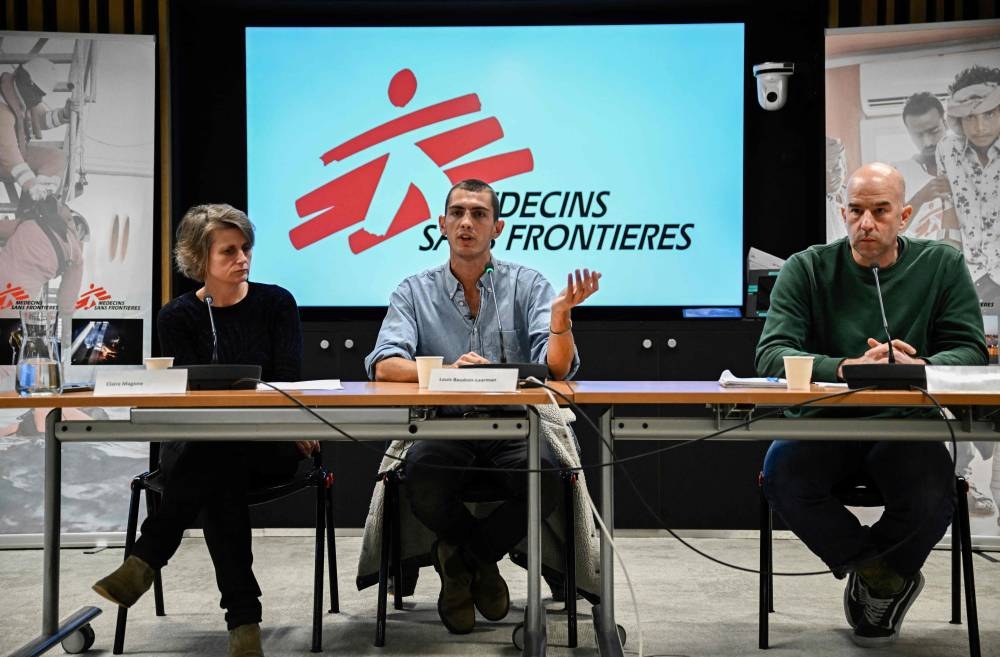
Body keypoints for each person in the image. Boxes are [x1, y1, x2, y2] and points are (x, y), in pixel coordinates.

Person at [757, 163, 988, 647]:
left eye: (880, 211)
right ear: (843, 214)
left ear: (903, 216)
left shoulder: (941, 265)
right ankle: (878, 575)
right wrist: (845, 367)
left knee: (933, 493)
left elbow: (969, 350)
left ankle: (881, 576)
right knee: (783, 473)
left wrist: (917, 365)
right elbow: (772, 352)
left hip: (907, 424)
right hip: (824, 421)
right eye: (857, 211)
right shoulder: (808, 267)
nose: (867, 223)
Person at [364, 178, 600, 634]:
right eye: (457, 213)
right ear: (442, 224)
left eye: (478, 214)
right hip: (443, 426)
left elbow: (557, 370)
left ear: (497, 228)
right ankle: (483, 566)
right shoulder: (413, 291)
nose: (466, 222)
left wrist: (561, 319)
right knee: (419, 476)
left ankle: (462, 560)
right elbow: (385, 366)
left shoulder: (529, 285)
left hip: (513, 426)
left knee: (548, 477)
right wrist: (452, 371)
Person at [92, 204, 313, 657]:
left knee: (216, 462)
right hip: (199, 445)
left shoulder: (276, 303)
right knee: (219, 467)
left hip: (266, 442)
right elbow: (180, 396)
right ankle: (243, 621)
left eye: (246, 248)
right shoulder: (177, 318)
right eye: (229, 251)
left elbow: (288, 378)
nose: (243, 259)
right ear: (200, 259)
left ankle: (147, 557)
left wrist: (290, 422)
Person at [937, 65, 1000, 301]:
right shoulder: (947, 149)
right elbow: (950, 212)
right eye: (970, 117)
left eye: (989, 114)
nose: (980, 127)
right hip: (971, 276)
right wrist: (945, 276)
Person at [893, 92, 957, 245]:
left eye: (934, 131)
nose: (927, 142)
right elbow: (887, 233)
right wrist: (919, 198)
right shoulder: (897, 173)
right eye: (918, 135)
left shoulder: (969, 165)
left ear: (946, 123)